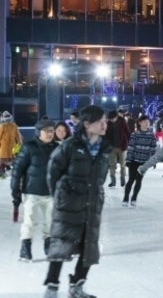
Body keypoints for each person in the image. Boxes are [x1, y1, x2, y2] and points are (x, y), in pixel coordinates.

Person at [43, 105, 112, 298]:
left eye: (105, 120)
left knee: (89, 247)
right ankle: (51, 287)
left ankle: (76, 286)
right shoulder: (70, 146)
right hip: (68, 204)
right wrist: (61, 196)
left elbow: (102, 176)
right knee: (61, 244)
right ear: (87, 124)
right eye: (100, 121)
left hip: (92, 204)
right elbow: (53, 172)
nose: (104, 124)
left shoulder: (105, 148)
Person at [11, 119, 59, 262]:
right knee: (30, 221)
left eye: (52, 131)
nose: (50, 134)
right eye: (47, 131)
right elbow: (17, 169)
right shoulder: (29, 147)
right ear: (39, 132)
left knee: (50, 222)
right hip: (32, 191)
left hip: (51, 192)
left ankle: (49, 247)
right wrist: (15, 189)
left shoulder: (57, 147)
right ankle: (25, 249)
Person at [123, 115, 157, 207]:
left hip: (144, 163)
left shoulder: (151, 135)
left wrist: (153, 161)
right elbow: (130, 148)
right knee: (131, 180)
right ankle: (126, 198)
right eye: (145, 122)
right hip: (134, 161)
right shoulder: (135, 134)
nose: (147, 124)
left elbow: (153, 149)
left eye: (148, 122)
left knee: (139, 180)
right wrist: (128, 160)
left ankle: (134, 198)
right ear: (140, 123)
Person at [105, 110, 131, 188]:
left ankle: (122, 179)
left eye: (113, 119)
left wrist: (130, 143)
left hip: (122, 146)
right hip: (112, 147)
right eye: (110, 119)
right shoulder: (108, 123)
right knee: (112, 164)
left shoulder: (122, 122)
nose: (111, 121)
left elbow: (128, 132)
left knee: (122, 164)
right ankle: (113, 180)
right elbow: (106, 135)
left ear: (116, 117)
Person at [0, 111, 22, 179]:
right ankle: (13, 173)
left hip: (3, 148)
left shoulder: (2, 126)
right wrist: (19, 144)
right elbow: (18, 137)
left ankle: (2, 175)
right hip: (12, 148)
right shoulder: (14, 126)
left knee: (1, 163)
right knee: (12, 161)